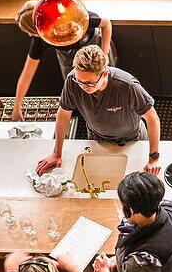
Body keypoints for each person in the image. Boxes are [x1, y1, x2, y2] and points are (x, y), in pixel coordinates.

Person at [35, 44, 162, 177]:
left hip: (131, 138)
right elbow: (64, 114)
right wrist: (56, 153)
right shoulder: (72, 81)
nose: (83, 87)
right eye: (80, 81)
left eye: (90, 83)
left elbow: (152, 118)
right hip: (96, 137)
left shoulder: (127, 85)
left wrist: (153, 158)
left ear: (105, 74)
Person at [11, 0, 114, 122]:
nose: (30, 35)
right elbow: (27, 73)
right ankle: (84, 112)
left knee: (102, 82)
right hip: (68, 57)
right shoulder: (41, 39)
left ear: (42, 27)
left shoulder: (76, 16)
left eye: (31, 32)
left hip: (94, 46)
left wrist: (105, 52)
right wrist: (17, 106)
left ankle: (107, 108)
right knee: (75, 84)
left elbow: (106, 23)